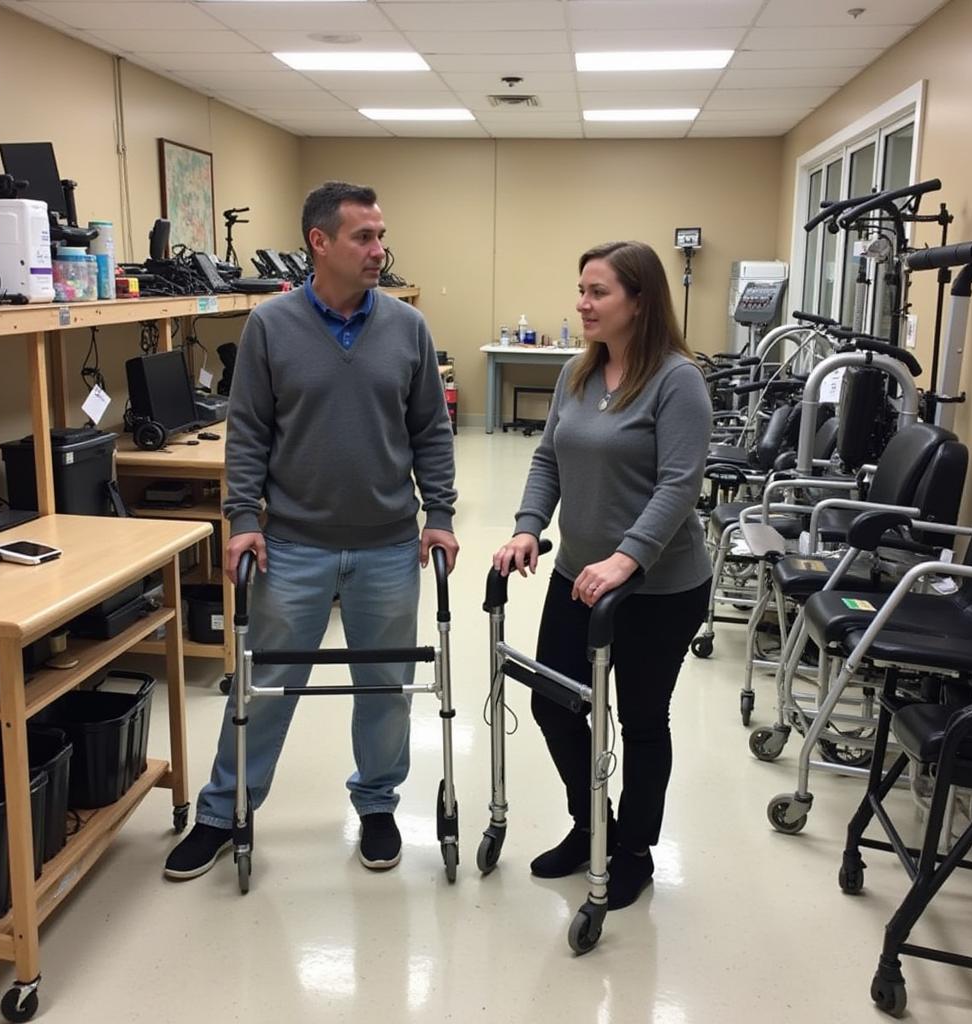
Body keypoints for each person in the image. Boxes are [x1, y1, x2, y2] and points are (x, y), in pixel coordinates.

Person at [166, 180, 458, 880]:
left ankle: (378, 805)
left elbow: (431, 432)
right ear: (319, 243)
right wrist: (240, 519)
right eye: (364, 237)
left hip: (389, 542)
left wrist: (440, 515)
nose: (379, 250)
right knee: (265, 684)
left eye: (381, 236)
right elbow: (249, 436)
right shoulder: (270, 326)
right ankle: (223, 811)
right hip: (293, 544)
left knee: (384, 686)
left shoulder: (407, 328)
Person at [492, 240, 711, 910]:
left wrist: (627, 557)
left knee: (642, 721)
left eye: (598, 292)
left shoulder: (677, 380)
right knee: (555, 702)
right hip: (578, 575)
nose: (582, 304)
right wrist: (530, 525)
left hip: (657, 586)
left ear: (639, 301)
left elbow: (680, 484)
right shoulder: (577, 375)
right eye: (581, 290)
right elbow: (548, 460)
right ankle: (593, 828)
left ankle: (635, 853)